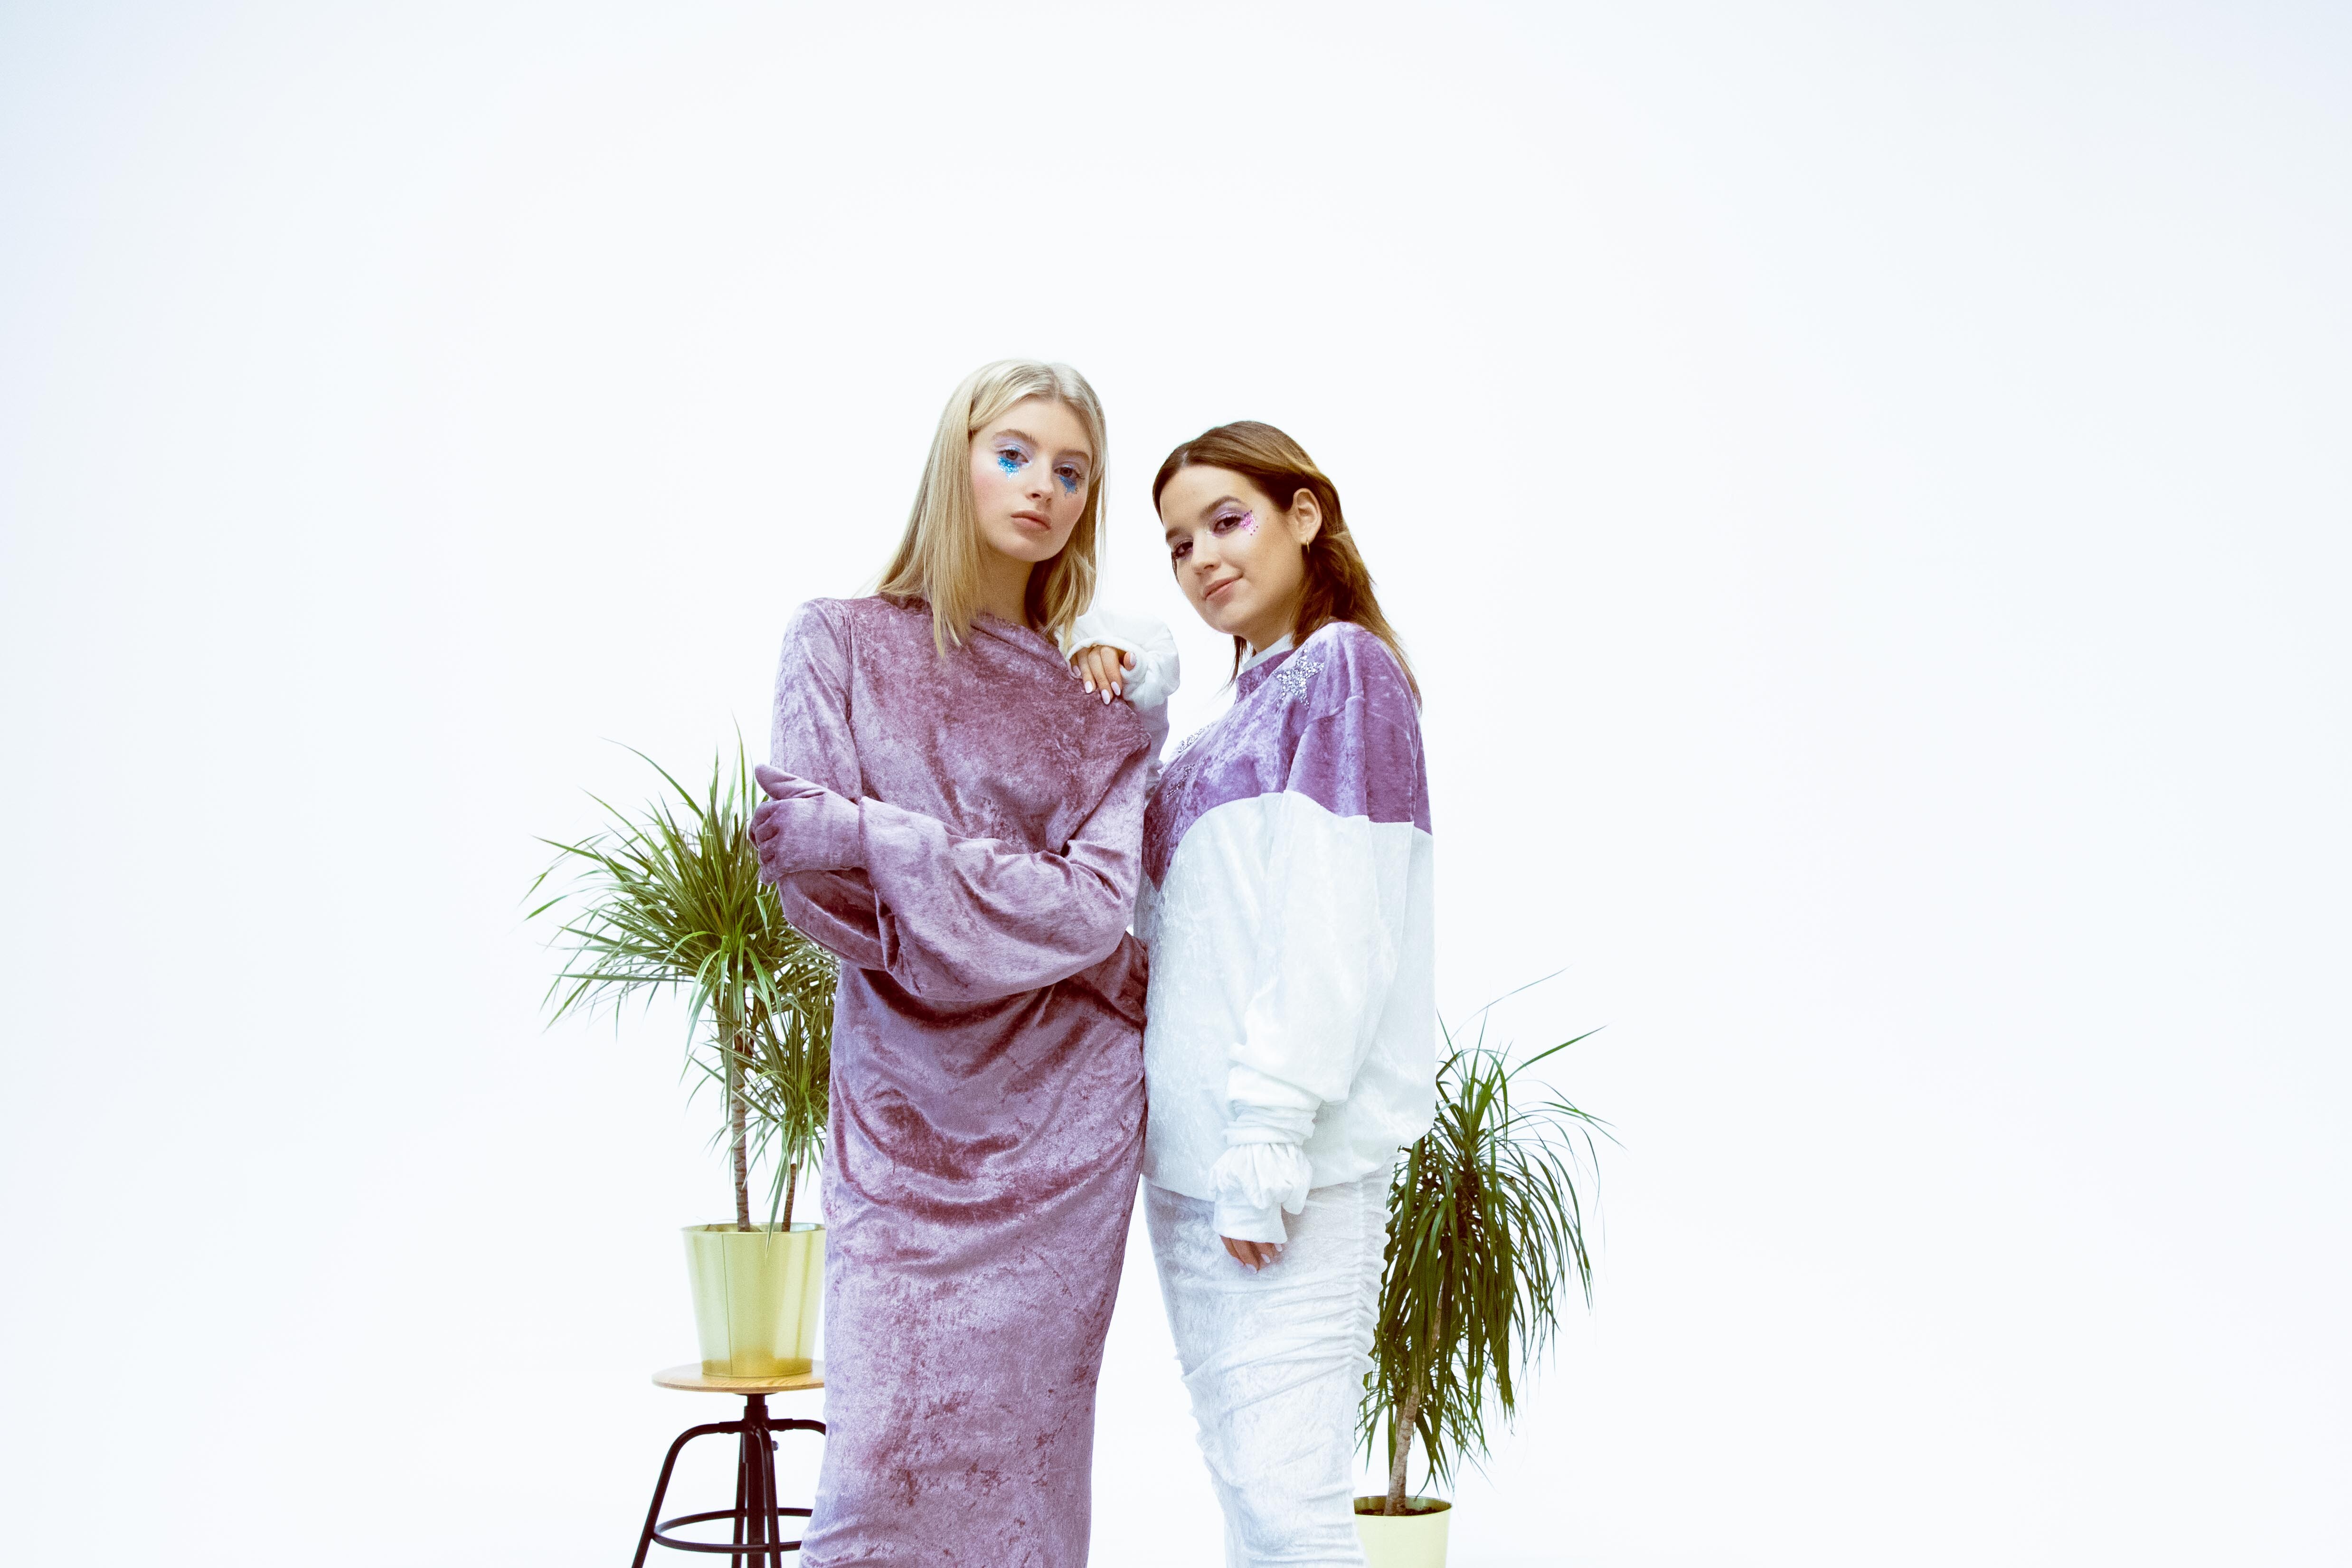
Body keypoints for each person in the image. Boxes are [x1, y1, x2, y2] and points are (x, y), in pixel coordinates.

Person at [751, 359, 1176, 1567]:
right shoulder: (835, 642)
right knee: (873, 1475)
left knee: (1022, 1492)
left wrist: (875, 835)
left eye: (1072, 472)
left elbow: (1091, 911)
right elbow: (814, 887)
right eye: (1015, 454)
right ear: (958, 458)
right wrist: (987, 911)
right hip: (897, 1122)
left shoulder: (1101, 698)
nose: (1043, 487)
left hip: (1062, 1134)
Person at [1131, 421, 1436, 1568]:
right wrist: (1134, 698)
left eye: (1227, 521)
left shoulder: (1341, 673)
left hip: (1285, 1166)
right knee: (1252, 1504)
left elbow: (1332, 929)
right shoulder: (1225, 724)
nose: (1202, 557)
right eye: (1177, 544)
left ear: (1303, 515)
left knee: (1288, 1510)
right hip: (1191, 1169)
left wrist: (1265, 1139)